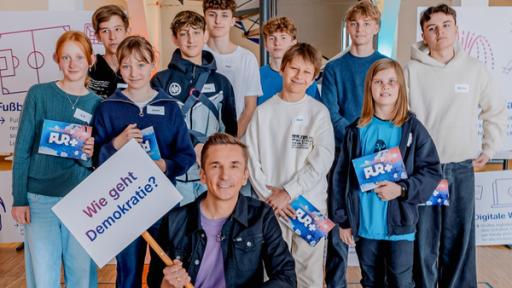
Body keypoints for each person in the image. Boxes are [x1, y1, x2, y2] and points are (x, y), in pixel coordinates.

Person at [405, 4, 506, 288]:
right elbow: (402, 118)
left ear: (457, 30)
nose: (440, 32)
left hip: (461, 168)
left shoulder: (475, 70)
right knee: (423, 241)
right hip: (424, 170)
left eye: (446, 25)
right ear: (424, 34)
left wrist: (489, 148)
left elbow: (495, 111)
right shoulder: (411, 70)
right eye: (432, 28)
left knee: (459, 240)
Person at [92, 35, 196, 288]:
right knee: (128, 273)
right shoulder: (108, 107)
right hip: (124, 204)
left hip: (162, 202)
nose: (134, 72)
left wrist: (164, 166)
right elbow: (94, 158)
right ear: (118, 66)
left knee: (163, 272)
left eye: (141, 64)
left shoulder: (169, 107)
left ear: (152, 64)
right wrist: (116, 143)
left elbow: (186, 154)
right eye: (126, 66)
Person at [333, 58, 442, 287]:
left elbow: (431, 171)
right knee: (371, 281)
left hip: (399, 227)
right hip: (366, 226)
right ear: (369, 87)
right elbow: (341, 177)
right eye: (379, 81)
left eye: (392, 81)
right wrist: (343, 220)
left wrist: (401, 189)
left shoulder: (412, 128)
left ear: (401, 88)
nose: (385, 87)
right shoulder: (356, 130)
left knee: (400, 282)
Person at [147, 133, 297, 288]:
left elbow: (286, 277)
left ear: (245, 176)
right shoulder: (174, 220)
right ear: (203, 175)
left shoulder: (261, 216)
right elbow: (154, 281)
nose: (225, 176)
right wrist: (166, 284)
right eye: (215, 166)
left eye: (234, 166)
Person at [11, 31, 99, 288]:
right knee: (44, 278)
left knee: (81, 277)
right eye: (66, 57)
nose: (73, 64)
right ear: (56, 60)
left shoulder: (97, 103)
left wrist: (88, 153)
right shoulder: (39, 94)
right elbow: (23, 149)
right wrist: (19, 199)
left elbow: (94, 162)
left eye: (79, 57)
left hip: (81, 201)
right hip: (40, 201)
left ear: (90, 60)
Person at [245, 43, 335, 288]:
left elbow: (322, 160)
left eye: (307, 72)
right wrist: (271, 197)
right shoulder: (263, 113)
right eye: (294, 69)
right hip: (273, 208)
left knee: (310, 275)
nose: (299, 76)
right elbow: (252, 160)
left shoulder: (319, 112)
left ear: (315, 76)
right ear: (283, 69)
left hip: (310, 206)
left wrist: (289, 192)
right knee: (274, 274)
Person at [320, 3, 387, 285]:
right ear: (348, 27)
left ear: (376, 28)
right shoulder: (334, 67)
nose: (360, 29)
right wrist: (354, 139)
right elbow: (330, 110)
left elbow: (390, 107)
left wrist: (369, 141)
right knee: (338, 229)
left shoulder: (385, 66)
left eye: (366, 23)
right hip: (341, 156)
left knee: (372, 227)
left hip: (376, 155)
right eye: (354, 23)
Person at [151, 10, 237, 205]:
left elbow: (230, 131)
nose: (191, 39)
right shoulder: (161, 81)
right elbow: (158, 127)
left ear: (206, 35)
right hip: (176, 175)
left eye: (197, 32)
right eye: (184, 33)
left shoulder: (221, 82)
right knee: (178, 232)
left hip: (212, 175)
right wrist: (192, 143)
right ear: (174, 38)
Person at [202, 0, 262, 137]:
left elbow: (249, 108)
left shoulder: (247, 58)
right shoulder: (195, 55)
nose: (218, 21)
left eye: (224, 15)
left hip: (235, 139)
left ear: (232, 21)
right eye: (212, 15)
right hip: (200, 142)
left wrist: (231, 139)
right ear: (204, 18)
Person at [258, 16, 320, 105]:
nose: (277, 43)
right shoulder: (256, 76)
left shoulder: (302, 77)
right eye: (272, 38)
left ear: (293, 43)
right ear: (265, 44)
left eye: (283, 37)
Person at [88, 4, 130, 98]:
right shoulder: (90, 67)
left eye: (117, 29)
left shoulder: (136, 67)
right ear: (98, 36)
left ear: (127, 32)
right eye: (105, 31)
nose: (112, 37)